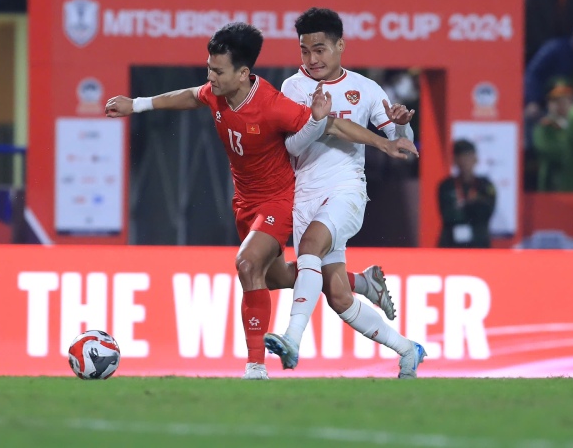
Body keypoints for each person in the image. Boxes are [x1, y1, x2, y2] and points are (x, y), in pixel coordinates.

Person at [105, 22, 416, 380]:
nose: (211, 76)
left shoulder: (272, 104)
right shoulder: (218, 93)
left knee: (247, 265)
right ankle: (360, 282)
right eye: (209, 68)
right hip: (246, 203)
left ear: (243, 74)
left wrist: (384, 142)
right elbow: (193, 95)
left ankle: (257, 365)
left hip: (280, 200)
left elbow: (330, 126)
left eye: (217, 71)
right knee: (276, 278)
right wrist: (138, 105)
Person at [262, 8, 427, 379]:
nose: (312, 59)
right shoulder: (294, 88)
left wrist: (403, 129)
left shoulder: (367, 89)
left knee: (309, 249)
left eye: (320, 49)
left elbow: (402, 145)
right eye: (304, 51)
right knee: (336, 295)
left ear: (340, 46)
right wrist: (318, 122)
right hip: (305, 193)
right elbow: (292, 144)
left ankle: (291, 338)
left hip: (347, 190)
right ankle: (407, 349)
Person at [437, 139, 496, 248]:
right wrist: (473, 205)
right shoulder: (447, 186)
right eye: (461, 157)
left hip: (479, 244)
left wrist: (464, 207)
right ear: (455, 160)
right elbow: (448, 215)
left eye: (468, 157)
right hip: (451, 244)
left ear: (475, 159)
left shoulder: (485, 185)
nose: (465, 161)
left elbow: (486, 212)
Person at [533, 77, 573, 191]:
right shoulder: (544, 128)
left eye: (566, 99)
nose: (562, 104)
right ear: (548, 103)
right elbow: (551, 151)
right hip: (552, 188)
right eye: (556, 100)